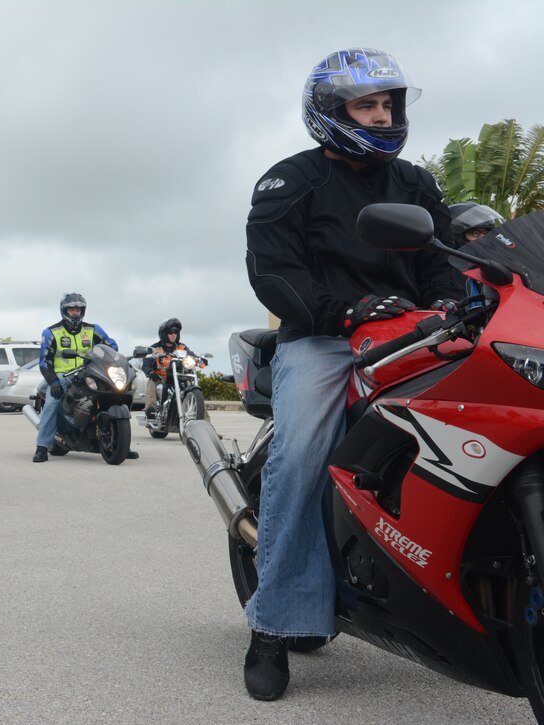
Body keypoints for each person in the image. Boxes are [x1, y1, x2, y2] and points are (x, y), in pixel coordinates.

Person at [242, 48, 462, 701]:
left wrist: (453, 301)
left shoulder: (416, 185)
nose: (383, 115)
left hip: (416, 333)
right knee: (302, 452)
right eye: (367, 105)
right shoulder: (290, 182)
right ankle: (273, 625)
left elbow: (442, 259)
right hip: (324, 339)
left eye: (388, 103)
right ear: (330, 112)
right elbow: (274, 271)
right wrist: (344, 309)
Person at [32, 293, 134, 462]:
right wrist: (54, 381)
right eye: (71, 309)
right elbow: (44, 362)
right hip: (64, 375)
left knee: (117, 394)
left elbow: (111, 345)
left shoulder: (93, 329)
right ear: (64, 311)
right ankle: (42, 446)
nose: (75, 312)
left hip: (89, 370)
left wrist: (112, 352)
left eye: (78, 309)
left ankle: (121, 442)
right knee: (52, 402)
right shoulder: (52, 332)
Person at [141, 318, 189, 417]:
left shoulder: (182, 347)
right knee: (151, 380)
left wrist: (199, 359)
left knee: (192, 387)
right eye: (170, 332)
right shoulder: (154, 348)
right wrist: (150, 372)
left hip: (178, 376)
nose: (173, 335)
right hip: (161, 378)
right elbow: (146, 364)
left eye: (175, 332)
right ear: (164, 334)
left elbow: (192, 355)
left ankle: (204, 422)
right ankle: (151, 409)